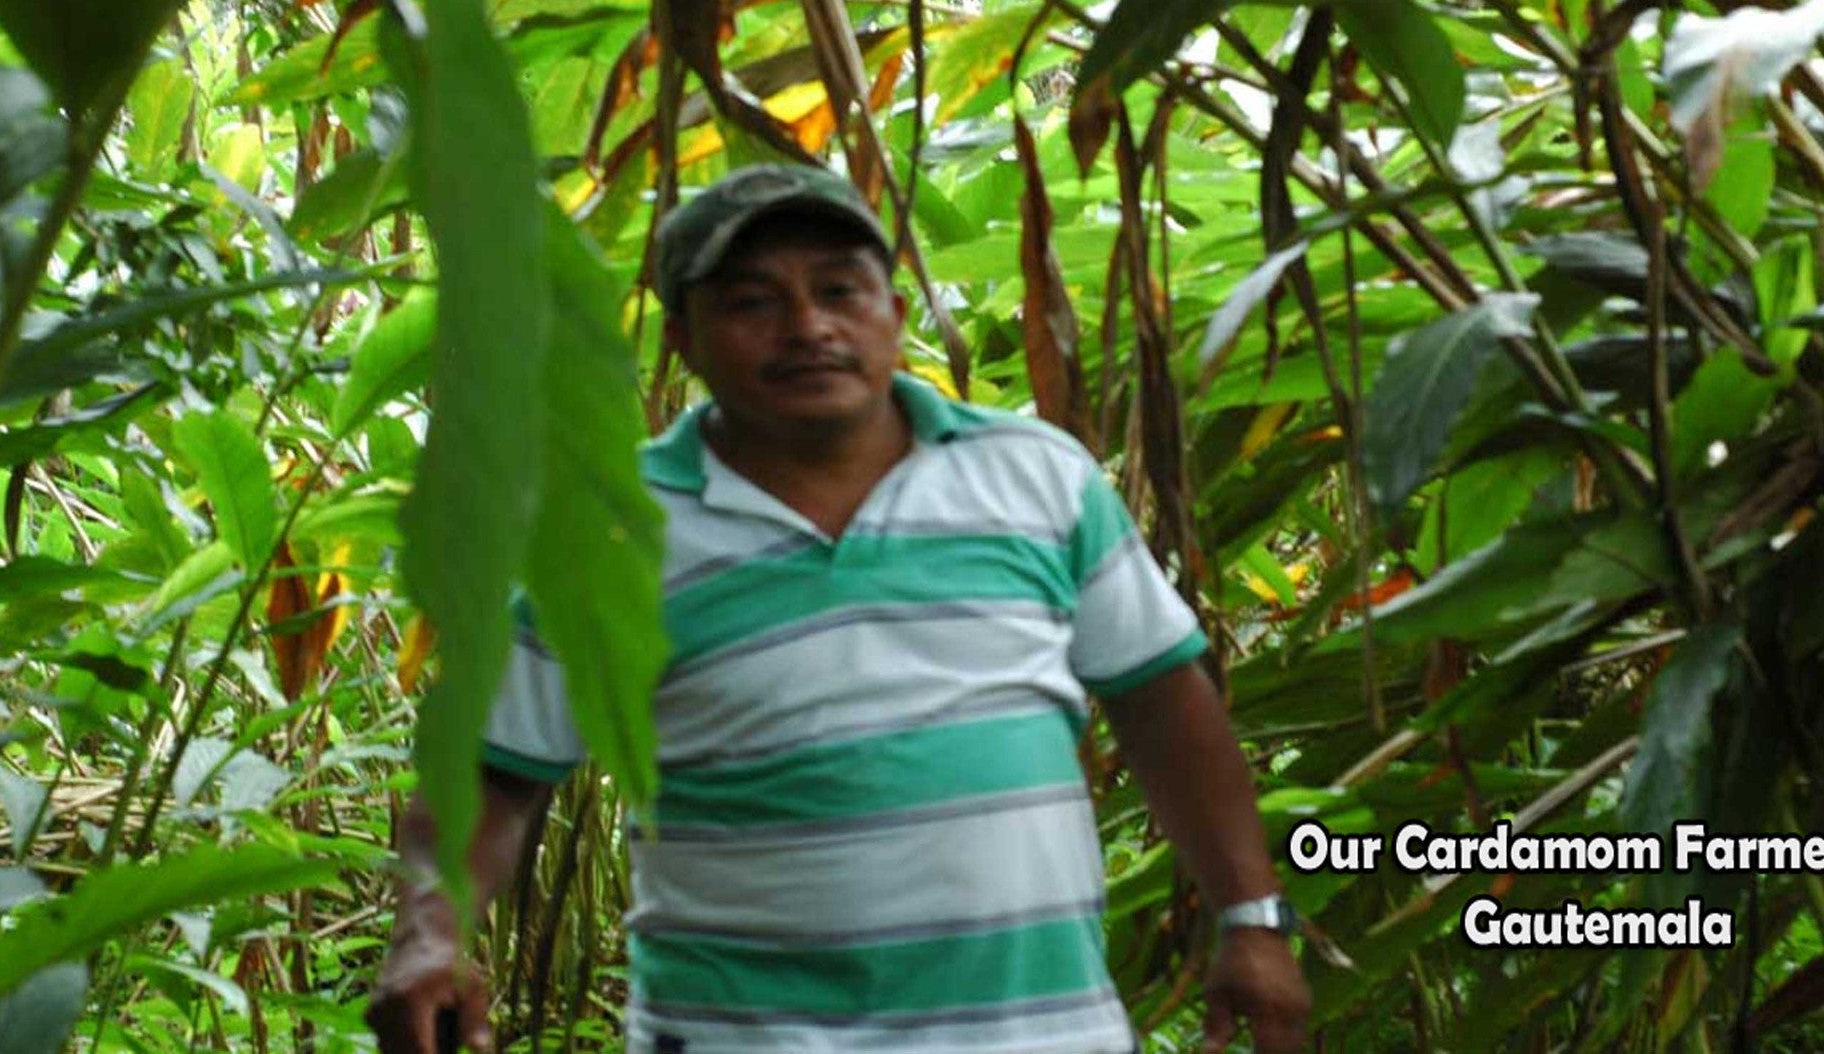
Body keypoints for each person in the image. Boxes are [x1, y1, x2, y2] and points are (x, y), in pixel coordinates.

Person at [367, 165, 1311, 1054]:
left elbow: (1163, 705)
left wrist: (1252, 918)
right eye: (751, 301)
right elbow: (491, 773)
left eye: (839, 290)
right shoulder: (610, 534)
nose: (806, 326)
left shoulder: (1037, 479)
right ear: (684, 339)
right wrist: (428, 936)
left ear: (894, 315)